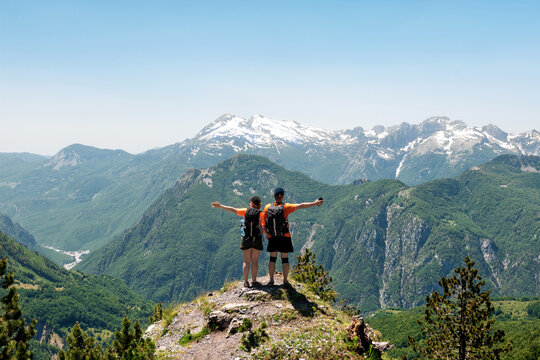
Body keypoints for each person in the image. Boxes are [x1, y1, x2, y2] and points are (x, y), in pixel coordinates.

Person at [262, 187, 324, 286]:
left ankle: (271, 280)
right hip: (284, 235)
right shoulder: (286, 207)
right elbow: (301, 205)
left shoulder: (267, 207)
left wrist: (268, 234)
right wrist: (315, 203)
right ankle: (285, 281)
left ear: (274, 196)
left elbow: (263, 224)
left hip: (273, 236)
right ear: (282, 196)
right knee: (284, 258)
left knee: (272, 258)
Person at [211, 196, 265, 288]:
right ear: (259, 204)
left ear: (251, 203)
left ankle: (246, 282)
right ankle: (254, 281)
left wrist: (220, 206)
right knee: (255, 261)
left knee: (246, 261)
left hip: (246, 239)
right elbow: (263, 227)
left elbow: (233, 210)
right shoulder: (261, 214)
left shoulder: (245, 211)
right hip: (257, 239)